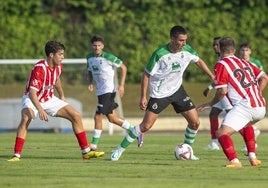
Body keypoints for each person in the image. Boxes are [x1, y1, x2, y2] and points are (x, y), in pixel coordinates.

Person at [110, 25, 214, 161]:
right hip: (159, 94)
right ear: (172, 39)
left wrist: (212, 77)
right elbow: (146, 75)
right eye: (181, 40)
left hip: (177, 91)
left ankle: (187, 150)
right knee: (145, 126)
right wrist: (143, 96)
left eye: (185, 40)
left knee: (195, 123)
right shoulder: (160, 54)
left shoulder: (187, 50)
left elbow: (198, 61)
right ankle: (119, 149)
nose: (184, 43)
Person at [8, 40, 104, 162]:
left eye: (63, 54)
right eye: (60, 54)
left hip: (49, 98)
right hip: (32, 99)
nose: (62, 57)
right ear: (51, 55)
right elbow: (32, 93)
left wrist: (62, 95)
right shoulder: (40, 69)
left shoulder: (59, 66)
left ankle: (86, 152)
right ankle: (16, 155)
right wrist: (40, 109)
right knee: (26, 118)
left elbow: (56, 79)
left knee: (75, 115)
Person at [197, 36, 268, 168]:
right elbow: (264, 78)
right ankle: (253, 157)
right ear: (234, 49)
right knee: (245, 126)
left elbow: (222, 91)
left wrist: (210, 103)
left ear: (220, 48)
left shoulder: (221, 64)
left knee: (221, 133)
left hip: (245, 106)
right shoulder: (246, 62)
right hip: (261, 107)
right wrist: (256, 93)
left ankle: (234, 161)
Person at [86, 35, 144, 150]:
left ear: (102, 46)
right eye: (94, 45)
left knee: (98, 116)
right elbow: (89, 70)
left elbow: (123, 68)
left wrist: (121, 85)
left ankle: (93, 144)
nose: (97, 48)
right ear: (91, 46)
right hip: (100, 92)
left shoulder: (108, 57)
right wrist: (90, 82)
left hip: (108, 91)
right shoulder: (89, 57)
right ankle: (136, 131)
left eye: (99, 45)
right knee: (112, 118)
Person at [203, 37, 233, 150]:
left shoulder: (224, 60)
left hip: (226, 93)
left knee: (235, 118)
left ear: (222, 47)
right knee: (213, 114)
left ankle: (250, 139)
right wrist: (209, 87)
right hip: (221, 91)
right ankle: (214, 143)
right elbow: (218, 79)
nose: (215, 47)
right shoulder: (219, 59)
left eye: (217, 45)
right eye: (214, 45)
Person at [239, 42, 263, 151]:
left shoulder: (255, 63)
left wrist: (258, 91)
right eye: (243, 50)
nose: (244, 52)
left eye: (246, 50)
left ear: (250, 51)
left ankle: (251, 142)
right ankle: (252, 139)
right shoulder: (237, 62)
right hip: (241, 94)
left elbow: (262, 77)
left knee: (243, 119)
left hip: (252, 94)